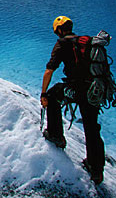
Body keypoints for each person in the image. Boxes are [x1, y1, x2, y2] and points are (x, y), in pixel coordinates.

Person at [40, 15, 106, 184]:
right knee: (92, 127)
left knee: (54, 94)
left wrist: (43, 93)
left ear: (59, 30)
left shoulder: (62, 44)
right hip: (93, 90)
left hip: (76, 90)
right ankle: (96, 169)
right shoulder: (85, 42)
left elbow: (49, 70)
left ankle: (56, 136)